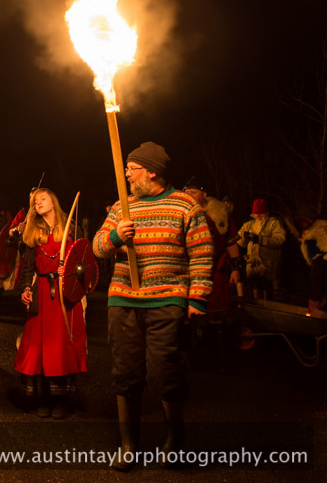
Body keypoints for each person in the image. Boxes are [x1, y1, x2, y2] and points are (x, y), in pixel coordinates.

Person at [93, 142, 213, 471]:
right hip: (124, 300)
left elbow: (202, 253)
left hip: (168, 301)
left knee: (166, 373)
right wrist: (115, 236)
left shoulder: (185, 205)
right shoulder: (122, 207)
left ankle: (174, 440)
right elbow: (97, 247)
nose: (127, 175)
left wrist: (197, 297)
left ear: (153, 172)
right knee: (125, 372)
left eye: (133, 169)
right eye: (127, 169)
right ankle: (129, 445)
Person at [17, 188, 86, 419]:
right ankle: (43, 398)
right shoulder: (32, 231)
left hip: (66, 294)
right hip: (42, 292)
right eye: (35, 201)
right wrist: (26, 288)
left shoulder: (70, 228)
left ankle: (61, 401)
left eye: (43, 199)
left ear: (53, 201)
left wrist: (70, 270)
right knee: (38, 347)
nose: (38, 203)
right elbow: (28, 266)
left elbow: (83, 260)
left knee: (62, 347)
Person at [183, 177, 242, 372]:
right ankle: (190, 359)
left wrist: (235, 269)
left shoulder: (219, 213)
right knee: (187, 316)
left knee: (216, 316)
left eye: (193, 192)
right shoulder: (181, 213)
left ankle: (219, 360)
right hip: (188, 272)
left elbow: (230, 242)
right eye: (186, 192)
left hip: (216, 270)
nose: (189, 195)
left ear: (204, 194)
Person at [237, 198, 286, 300]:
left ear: (266, 212)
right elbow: (239, 242)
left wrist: (261, 239)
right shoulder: (249, 225)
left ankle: (268, 305)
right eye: (256, 213)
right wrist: (244, 237)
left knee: (267, 286)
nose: (258, 216)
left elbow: (280, 240)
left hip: (268, 263)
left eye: (260, 213)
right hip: (253, 262)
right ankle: (257, 304)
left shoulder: (274, 223)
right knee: (256, 285)